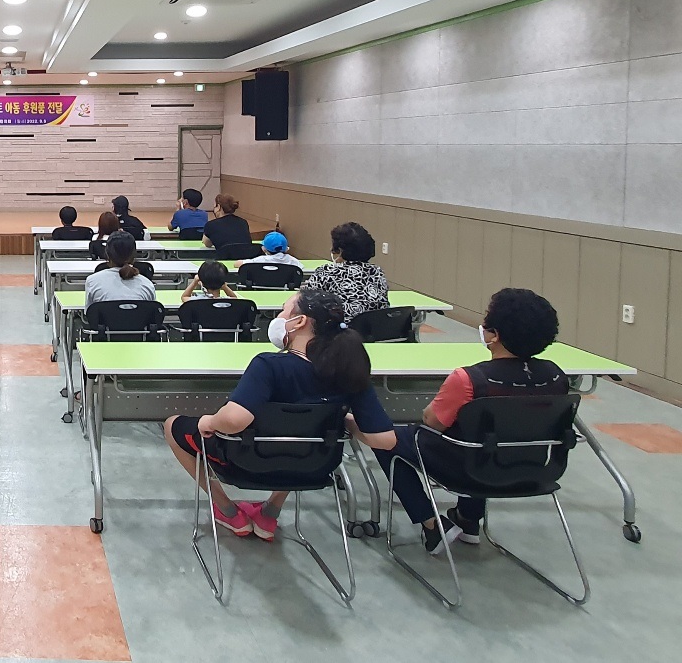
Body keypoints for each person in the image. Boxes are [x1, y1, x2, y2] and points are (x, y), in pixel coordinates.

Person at [163, 288, 397, 540]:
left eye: (284, 310)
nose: (278, 317)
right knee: (298, 436)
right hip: (314, 467)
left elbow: (233, 420)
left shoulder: (269, 366)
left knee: (172, 425)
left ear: (299, 321)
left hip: (246, 464)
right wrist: (343, 421)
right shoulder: (351, 370)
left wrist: (209, 421)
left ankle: (228, 511)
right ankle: (269, 512)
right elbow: (385, 440)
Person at [372, 288, 570, 554]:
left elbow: (432, 422)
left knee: (386, 439)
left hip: (468, 470)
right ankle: (467, 519)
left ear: (494, 335)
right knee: (485, 439)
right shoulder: (557, 377)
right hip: (535, 469)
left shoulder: (468, 379)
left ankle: (432, 524)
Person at [303, 222, 389, 320]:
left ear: (340, 250)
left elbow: (303, 302)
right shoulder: (377, 273)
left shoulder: (327, 272)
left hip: (338, 328)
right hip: (373, 328)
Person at [84, 232, 156, 309]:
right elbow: (153, 313)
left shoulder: (92, 281)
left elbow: (89, 312)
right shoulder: (147, 284)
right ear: (133, 255)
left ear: (107, 254)